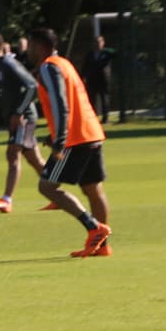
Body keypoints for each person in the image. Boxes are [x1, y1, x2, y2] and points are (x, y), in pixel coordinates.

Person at [27, 28, 113, 257]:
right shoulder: (65, 63)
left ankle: (94, 228)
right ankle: (102, 246)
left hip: (74, 140)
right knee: (93, 189)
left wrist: (60, 139)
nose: (28, 49)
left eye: (31, 45)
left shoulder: (48, 67)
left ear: (40, 46)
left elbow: (60, 103)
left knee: (47, 186)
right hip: (91, 132)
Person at [0, 33, 45, 213]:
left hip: (24, 117)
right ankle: (58, 192)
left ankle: (7, 200)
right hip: (14, 118)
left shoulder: (9, 64)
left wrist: (19, 112)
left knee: (12, 154)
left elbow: (31, 86)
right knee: (34, 159)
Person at [80, 35, 115, 124]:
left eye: (99, 42)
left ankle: (105, 119)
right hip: (92, 80)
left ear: (103, 43)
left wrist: (105, 49)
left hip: (104, 80)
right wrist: (83, 77)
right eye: (95, 42)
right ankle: (92, 118)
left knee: (104, 99)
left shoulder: (106, 53)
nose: (97, 44)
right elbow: (85, 66)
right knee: (92, 100)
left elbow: (115, 53)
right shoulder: (90, 54)